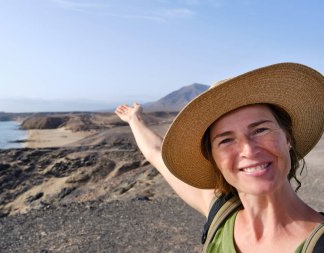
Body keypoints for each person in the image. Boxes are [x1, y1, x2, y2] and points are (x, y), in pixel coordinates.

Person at [115, 63, 324, 252]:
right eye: (226, 140)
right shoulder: (220, 213)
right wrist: (134, 120)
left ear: (288, 138)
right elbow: (156, 153)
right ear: (213, 158)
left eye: (260, 130)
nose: (249, 151)